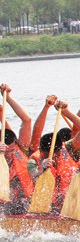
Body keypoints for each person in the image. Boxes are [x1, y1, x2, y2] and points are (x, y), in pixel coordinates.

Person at [0, 83, 34, 214]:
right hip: (3, 206)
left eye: (11, 151)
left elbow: (27, 120)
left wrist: (7, 97)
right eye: (6, 152)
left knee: (22, 203)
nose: (9, 154)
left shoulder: (21, 147)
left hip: (26, 202)